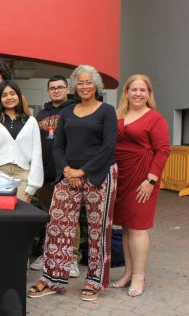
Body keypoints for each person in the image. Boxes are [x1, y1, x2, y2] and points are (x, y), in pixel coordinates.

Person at [28, 65, 117, 301]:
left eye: (89, 82)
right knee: (57, 226)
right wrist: (68, 170)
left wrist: (83, 171)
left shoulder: (107, 111)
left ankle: (94, 282)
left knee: (98, 231)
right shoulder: (67, 112)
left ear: (96, 85)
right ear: (74, 86)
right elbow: (58, 146)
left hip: (98, 176)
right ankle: (51, 280)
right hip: (68, 175)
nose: (85, 86)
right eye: (80, 82)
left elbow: (109, 147)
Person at [110, 74, 170, 297]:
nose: (138, 93)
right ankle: (128, 272)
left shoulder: (155, 118)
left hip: (143, 178)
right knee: (126, 227)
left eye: (142, 90)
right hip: (122, 176)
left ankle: (139, 275)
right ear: (126, 92)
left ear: (149, 94)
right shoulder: (119, 115)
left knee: (137, 227)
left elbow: (163, 150)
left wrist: (151, 180)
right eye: (133, 89)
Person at [30, 75, 81, 278]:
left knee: (70, 218)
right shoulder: (41, 114)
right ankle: (49, 254)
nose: (57, 91)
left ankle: (72, 259)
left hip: (67, 174)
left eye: (60, 87)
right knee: (49, 217)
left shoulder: (75, 111)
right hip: (46, 175)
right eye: (53, 88)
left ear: (67, 89)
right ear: (48, 90)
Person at [0, 80, 43, 202]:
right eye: (4, 95)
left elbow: (37, 153)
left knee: (19, 216)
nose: (9, 97)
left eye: (12, 93)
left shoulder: (31, 122)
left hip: (22, 176)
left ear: (19, 96)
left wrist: (33, 185)